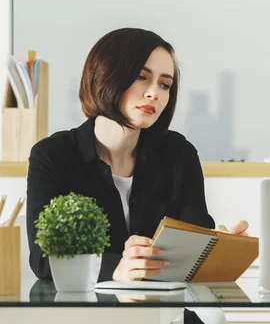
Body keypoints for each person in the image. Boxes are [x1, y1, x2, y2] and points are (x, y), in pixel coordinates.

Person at [26, 28, 248, 283]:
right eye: (141, 77)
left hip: (168, 315)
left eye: (165, 84)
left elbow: (195, 242)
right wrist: (115, 268)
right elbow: (43, 260)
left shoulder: (179, 154)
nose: (155, 93)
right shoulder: (53, 156)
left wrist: (220, 247)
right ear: (104, 77)